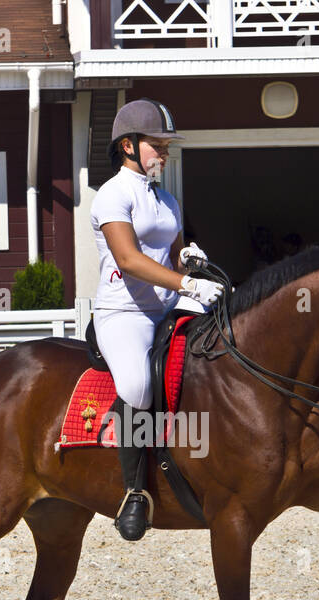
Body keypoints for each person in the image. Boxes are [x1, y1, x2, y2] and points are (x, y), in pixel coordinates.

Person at [91, 98, 223, 541]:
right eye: (157, 145)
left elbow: (172, 254)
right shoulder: (112, 194)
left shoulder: (167, 199)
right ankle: (134, 491)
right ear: (128, 145)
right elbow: (128, 259)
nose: (165, 154)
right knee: (137, 386)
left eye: (167, 146)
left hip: (167, 308)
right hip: (124, 312)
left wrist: (189, 259)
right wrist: (187, 286)